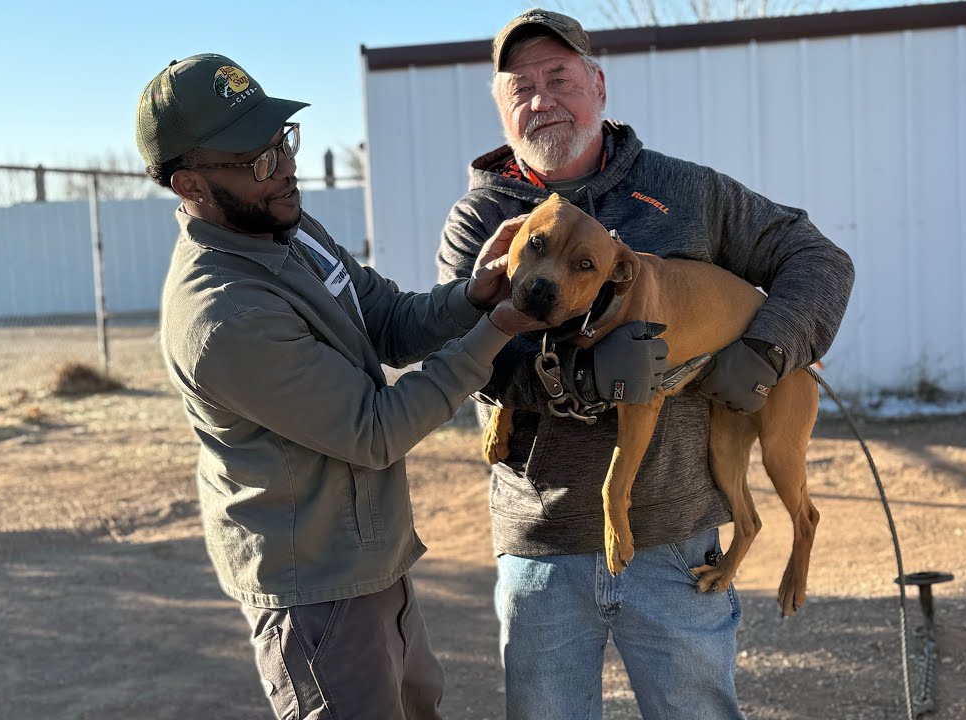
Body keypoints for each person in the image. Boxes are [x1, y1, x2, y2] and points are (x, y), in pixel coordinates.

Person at [437, 10, 855, 719]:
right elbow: (463, 349)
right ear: (499, 105)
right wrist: (572, 376)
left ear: (597, 86)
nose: (541, 100)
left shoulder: (688, 191)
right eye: (521, 86)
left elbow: (818, 259)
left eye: (560, 78)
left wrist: (766, 348)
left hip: (676, 544)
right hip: (540, 548)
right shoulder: (481, 220)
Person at [137, 53, 550, 719]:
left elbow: (382, 317)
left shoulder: (286, 228)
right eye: (258, 159)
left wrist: (472, 298)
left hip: (368, 560)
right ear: (190, 184)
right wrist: (496, 331)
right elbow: (375, 430)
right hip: (317, 595)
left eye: (282, 142)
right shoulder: (224, 316)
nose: (286, 166)